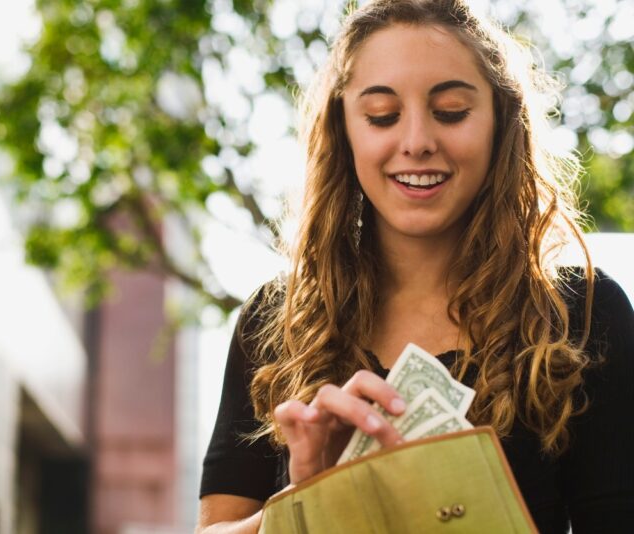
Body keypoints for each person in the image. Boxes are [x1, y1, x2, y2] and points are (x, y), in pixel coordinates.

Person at [197, 1, 634, 532]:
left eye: (450, 111)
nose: (417, 142)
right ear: (345, 128)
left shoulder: (583, 314)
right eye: (382, 116)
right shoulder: (277, 318)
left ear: (501, 122)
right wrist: (308, 500)